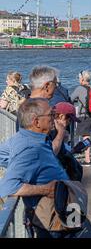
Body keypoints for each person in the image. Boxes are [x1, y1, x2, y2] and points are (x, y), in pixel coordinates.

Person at [0, 98, 72, 238]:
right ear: (36, 122)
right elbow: (8, 186)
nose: (54, 119)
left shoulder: (29, 138)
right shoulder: (30, 147)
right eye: (51, 114)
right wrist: (46, 189)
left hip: (58, 212)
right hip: (50, 219)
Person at [71, 70, 91, 167]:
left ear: (82, 79)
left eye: (79, 78)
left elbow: (71, 99)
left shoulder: (79, 88)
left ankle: (88, 160)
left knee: (86, 137)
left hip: (84, 115)